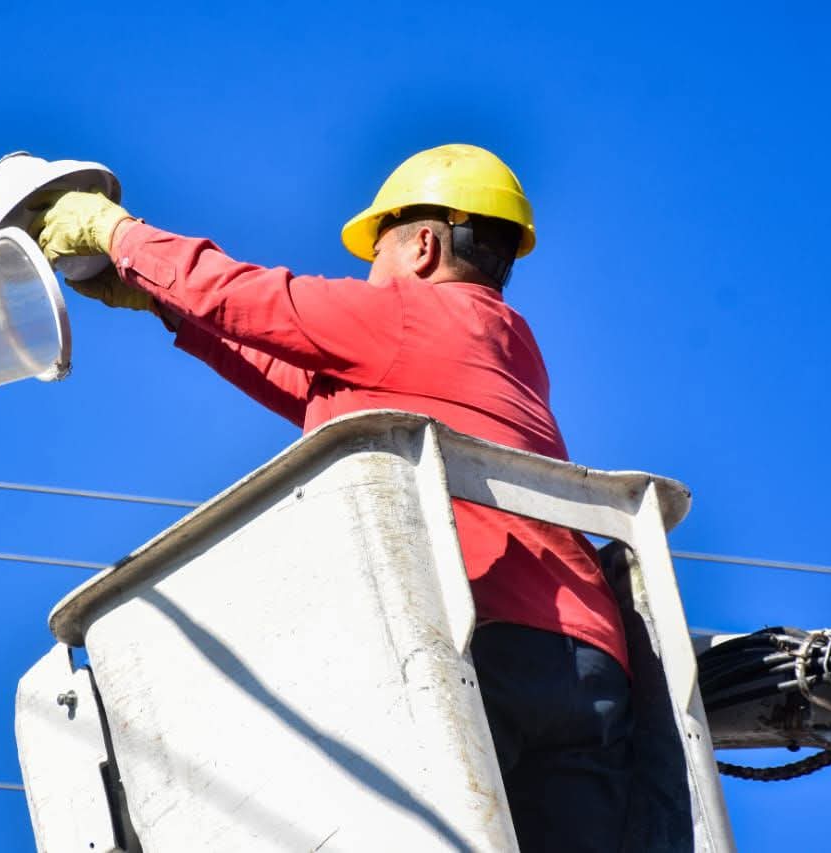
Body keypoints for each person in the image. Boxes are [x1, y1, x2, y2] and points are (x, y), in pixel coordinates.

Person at [37, 144, 632, 852]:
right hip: (591, 666)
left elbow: (247, 298)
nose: (367, 275)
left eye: (375, 256)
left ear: (421, 245)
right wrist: (167, 305)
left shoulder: (411, 316)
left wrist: (117, 235)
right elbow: (305, 380)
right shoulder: (504, 343)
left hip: (483, 633)